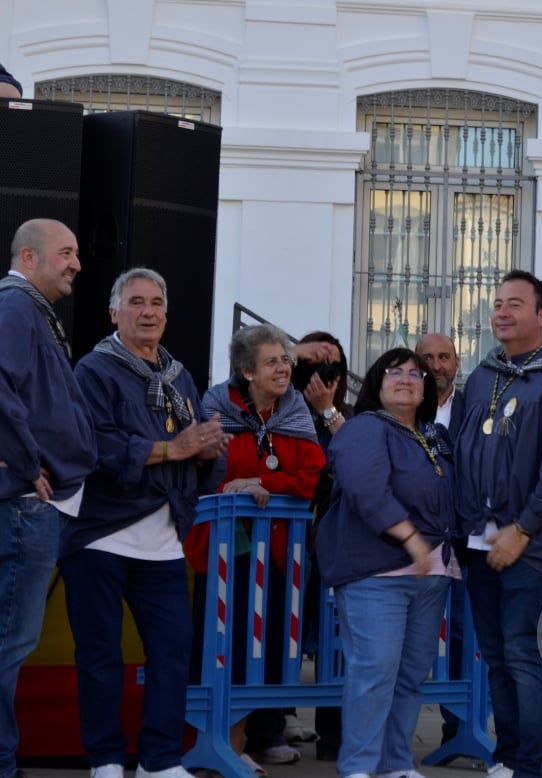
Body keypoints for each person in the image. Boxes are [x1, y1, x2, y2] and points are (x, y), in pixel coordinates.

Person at [62, 268, 230, 778]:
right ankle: (107, 759)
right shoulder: (93, 370)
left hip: (163, 541)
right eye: (136, 302)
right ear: (114, 313)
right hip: (100, 535)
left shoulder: (178, 377)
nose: (148, 311)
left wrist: (206, 452)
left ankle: (160, 760)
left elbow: (198, 451)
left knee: (174, 652)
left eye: (156, 302)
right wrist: (173, 448)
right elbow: (93, 446)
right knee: (100, 657)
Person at [455, 270, 542, 778]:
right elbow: (463, 454)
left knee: (522, 653)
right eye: (497, 303)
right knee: (495, 655)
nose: (502, 312)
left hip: (535, 545)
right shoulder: (482, 376)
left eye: (515, 303)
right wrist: (472, 523)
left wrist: (524, 528)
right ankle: (509, 758)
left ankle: (533, 765)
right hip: (481, 541)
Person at [183, 325, 325, 776]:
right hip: (228, 549)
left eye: (285, 360)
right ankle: (224, 742)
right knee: (227, 644)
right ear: (247, 371)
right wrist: (234, 487)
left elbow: (312, 475)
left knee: (273, 644)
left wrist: (263, 483)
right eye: (271, 362)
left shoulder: (296, 409)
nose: (284, 368)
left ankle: (263, 735)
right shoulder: (216, 406)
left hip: (283, 553)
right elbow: (202, 475)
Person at [315, 348, 457, 778]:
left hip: (432, 575)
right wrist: (410, 537)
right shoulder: (363, 429)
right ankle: (359, 767)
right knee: (374, 671)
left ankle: (396, 763)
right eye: (395, 371)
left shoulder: (435, 437)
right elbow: (365, 488)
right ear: (377, 383)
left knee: (410, 675)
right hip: (376, 572)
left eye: (416, 373)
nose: (407, 378)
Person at [0, 219, 96, 778]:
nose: (76, 264)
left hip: (31, 500)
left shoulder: (27, 308)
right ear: (30, 256)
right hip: (24, 502)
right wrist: (24, 459)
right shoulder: (16, 306)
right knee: (11, 641)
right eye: (66, 253)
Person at [289, 331, 349, 756]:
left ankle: (334, 736)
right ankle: (278, 718)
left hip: (335, 541)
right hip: (289, 540)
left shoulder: (349, 414)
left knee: (335, 636)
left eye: (331, 369)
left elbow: (351, 456)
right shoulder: (284, 410)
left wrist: (327, 410)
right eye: (313, 368)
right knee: (283, 629)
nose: (322, 376)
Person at [415, 332, 470, 750]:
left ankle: (461, 730)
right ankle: (394, 733)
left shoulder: (473, 408)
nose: (437, 365)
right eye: (428, 357)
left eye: (444, 357)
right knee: (411, 640)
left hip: (464, 537)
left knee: (463, 638)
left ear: (457, 361)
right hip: (412, 543)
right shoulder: (401, 407)